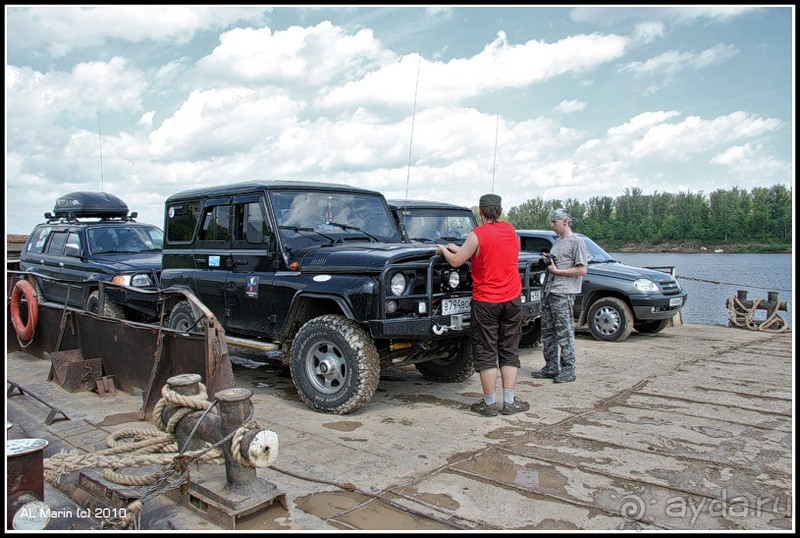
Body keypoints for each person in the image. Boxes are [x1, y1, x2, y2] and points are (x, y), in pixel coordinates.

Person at [437, 194, 529, 417]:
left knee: (486, 351)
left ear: (480, 212)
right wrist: (457, 248)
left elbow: (458, 261)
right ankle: (509, 401)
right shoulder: (510, 231)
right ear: (499, 210)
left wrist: (444, 250)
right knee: (509, 349)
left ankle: (488, 404)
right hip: (512, 299)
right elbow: (490, 253)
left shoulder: (477, 234)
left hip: (486, 301)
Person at [532, 208, 588, 383]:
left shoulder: (576, 242)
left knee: (564, 332)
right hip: (550, 291)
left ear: (565, 221)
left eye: (554, 222)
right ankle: (551, 367)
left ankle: (569, 369)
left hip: (564, 293)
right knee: (547, 332)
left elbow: (582, 269)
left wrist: (559, 271)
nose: (552, 225)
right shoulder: (558, 242)